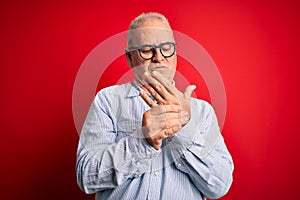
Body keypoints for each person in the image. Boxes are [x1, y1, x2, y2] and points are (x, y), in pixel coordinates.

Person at [76, 12, 234, 200]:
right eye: (147, 50)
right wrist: (143, 142)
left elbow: (219, 186)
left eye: (166, 48)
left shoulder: (203, 112)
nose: (159, 57)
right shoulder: (107, 101)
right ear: (130, 58)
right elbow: (87, 177)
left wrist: (184, 129)